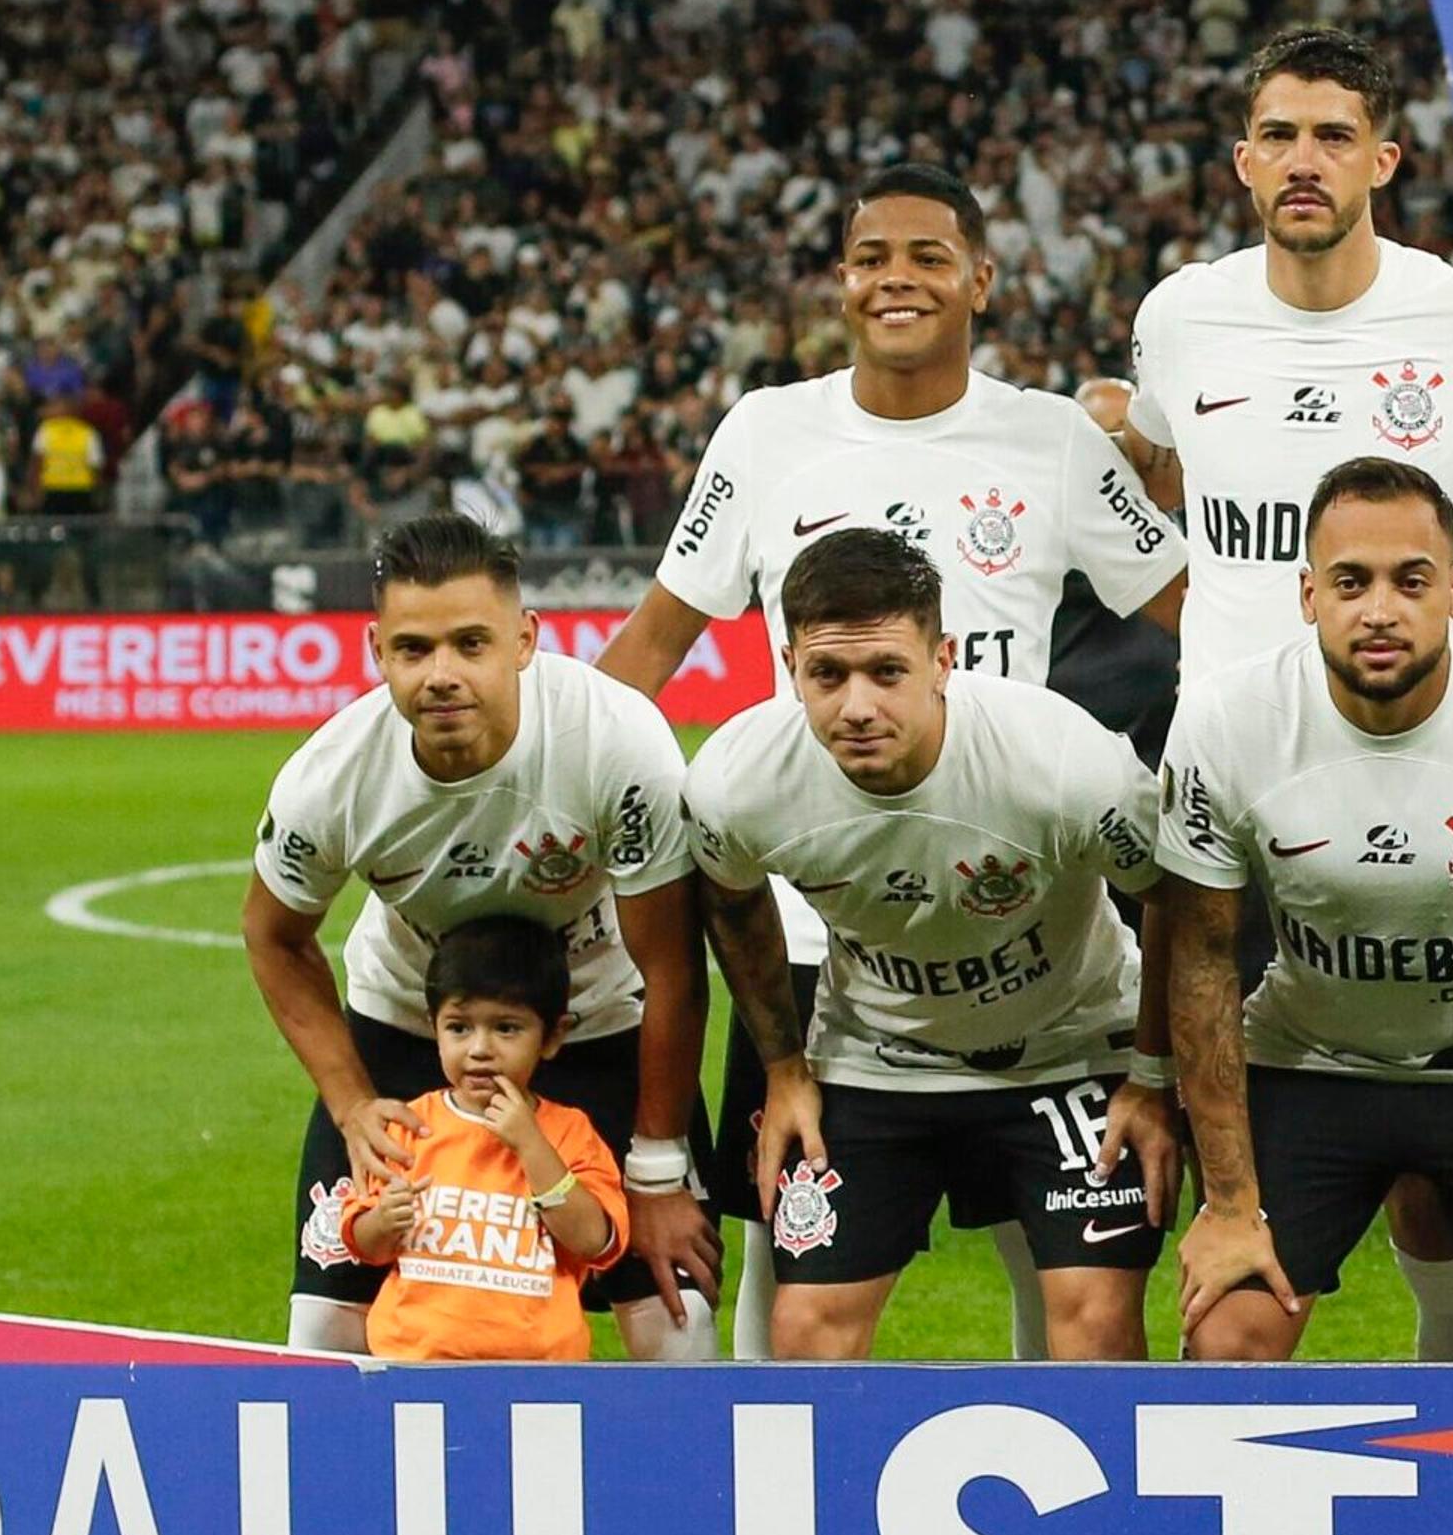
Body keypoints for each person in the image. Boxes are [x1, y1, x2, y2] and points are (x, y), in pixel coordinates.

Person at [598, 162, 1185, 1364]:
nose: (897, 279)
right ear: (842, 283)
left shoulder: (1054, 438)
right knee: (785, 1242)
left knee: (1057, 1259)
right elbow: (659, 636)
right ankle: (767, 1485)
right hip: (824, 915)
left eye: (928, 256)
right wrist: (553, 761)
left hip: (1020, 887)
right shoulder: (768, 432)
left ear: (980, 277)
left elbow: (1195, 615)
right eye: (873, 258)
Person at [1122, 25, 1453, 1363]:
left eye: (1334, 134)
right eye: (1280, 134)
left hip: (1443, 786)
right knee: (1228, 1204)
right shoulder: (1180, 315)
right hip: (1239, 798)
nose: (1305, 160)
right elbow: (1151, 465)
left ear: (1384, 155)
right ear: (1243, 161)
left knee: (1447, 1171)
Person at [1154, 458, 1453, 1362]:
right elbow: (1201, 962)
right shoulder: (1228, 720)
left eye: (1410, 581)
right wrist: (1225, 1205)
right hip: (1308, 1063)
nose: (1379, 610)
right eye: (1350, 582)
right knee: (1228, 1345)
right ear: (1306, 595)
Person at [683, 531, 1176, 1361]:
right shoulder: (739, 781)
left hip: (1067, 1049)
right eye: (827, 675)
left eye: (887, 671)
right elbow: (731, 903)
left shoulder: (1062, 764)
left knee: (1094, 1331)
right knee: (805, 1337)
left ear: (943, 659)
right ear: (789, 662)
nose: (858, 707)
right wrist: (783, 1067)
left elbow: (1180, 903)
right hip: (877, 1056)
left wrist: (1153, 1077)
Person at [244, 511, 714, 1358]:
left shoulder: (615, 742)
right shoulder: (334, 776)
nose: (442, 676)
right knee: (323, 1315)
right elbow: (273, 937)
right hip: (411, 1027)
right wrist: (352, 1108)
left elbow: (672, 966)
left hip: (599, 1024)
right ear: (376, 651)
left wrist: (657, 1169)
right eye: (414, 650)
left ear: (525, 640)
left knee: (674, 1307)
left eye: (471, 643)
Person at [344, 917, 633, 1363]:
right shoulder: (407, 1125)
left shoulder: (570, 1131)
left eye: (506, 1028)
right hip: (414, 1364)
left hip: (538, 1372)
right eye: (459, 1027)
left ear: (552, 1037)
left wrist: (530, 1145)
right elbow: (364, 1244)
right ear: (433, 1029)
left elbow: (595, 1241)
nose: (480, 1048)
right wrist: (383, 1219)